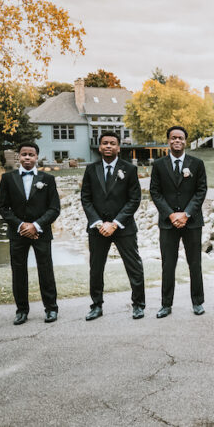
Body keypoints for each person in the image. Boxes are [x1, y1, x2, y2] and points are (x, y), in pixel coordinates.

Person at [81, 132, 144, 320]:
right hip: (98, 228)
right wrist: (99, 223)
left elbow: (134, 199)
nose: (108, 146)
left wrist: (115, 223)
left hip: (123, 227)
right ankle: (96, 305)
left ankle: (138, 304)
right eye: (105, 143)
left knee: (134, 266)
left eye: (112, 143)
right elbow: (86, 198)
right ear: (99, 147)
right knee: (96, 268)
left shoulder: (129, 170)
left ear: (118, 147)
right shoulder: (91, 169)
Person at [0, 142, 61, 325]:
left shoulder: (47, 179)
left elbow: (54, 208)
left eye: (31, 155)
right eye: (23, 154)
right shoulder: (8, 179)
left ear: (36, 157)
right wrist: (21, 226)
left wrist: (36, 226)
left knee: (46, 271)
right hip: (17, 234)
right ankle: (22, 310)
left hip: (41, 232)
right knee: (19, 272)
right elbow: (3, 207)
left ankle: (51, 309)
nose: (27, 157)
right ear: (18, 157)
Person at [149, 126, 208, 318]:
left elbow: (201, 191)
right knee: (168, 264)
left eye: (180, 138)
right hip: (168, 223)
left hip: (192, 222)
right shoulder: (158, 165)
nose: (177, 141)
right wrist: (171, 215)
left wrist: (187, 214)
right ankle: (166, 304)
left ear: (185, 141)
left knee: (195, 263)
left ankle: (198, 302)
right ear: (168, 141)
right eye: (173, 138)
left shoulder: (197, 164)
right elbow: (155, 192)